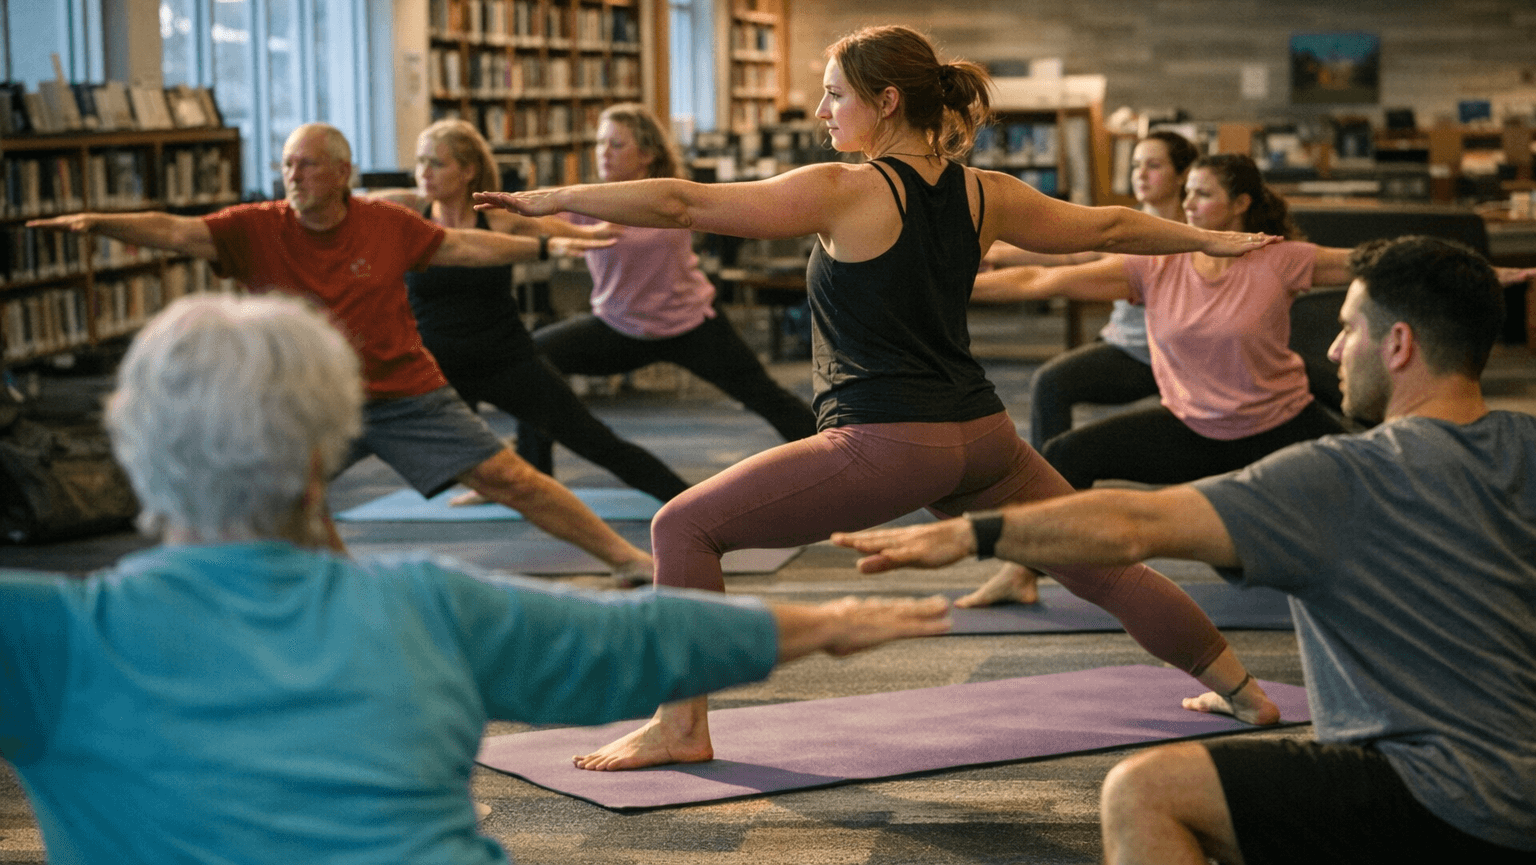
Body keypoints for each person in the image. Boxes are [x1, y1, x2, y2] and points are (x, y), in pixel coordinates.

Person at [476, 24, 1284, 772]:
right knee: (1105, 568)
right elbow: (1109, 227)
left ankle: (681, 725)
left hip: (889, 444)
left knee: (681, 526)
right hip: (983, 435)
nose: (823, 110)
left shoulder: (846, 190)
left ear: (886, 101)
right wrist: (1212, 239)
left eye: (835, 94)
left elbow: (685, 204)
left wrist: (554, 199)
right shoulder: (984, 192)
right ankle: (1245, 690)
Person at [0, 292, 951, 865]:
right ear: (321, 456)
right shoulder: (423, 608)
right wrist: (818, 624)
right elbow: (625, 644)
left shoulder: (52, 639)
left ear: (133, 448)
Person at [834, 236, 1536, 865]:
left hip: (1439, 802)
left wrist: (971, 532)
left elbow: (1134, 525)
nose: (1330, 349)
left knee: (1147, 792)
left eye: (1347, 329)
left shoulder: (1342, 475)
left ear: (1400, 345)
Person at [28, 123, 653, 585]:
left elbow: (465, 248)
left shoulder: (385, 223)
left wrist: (550, 249)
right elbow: (175, 230)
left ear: (342, 172)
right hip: (310, 404)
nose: (292, 176)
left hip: (407, 393)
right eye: (287, 165)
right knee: (269, 501)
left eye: (305, 165)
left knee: (509, 478)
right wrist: (99, 221)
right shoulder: (256, 227)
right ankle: (335, 593)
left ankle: (627, 559)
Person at [964, 153, 1356, 605]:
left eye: (1204, 194)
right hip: (1193, 429)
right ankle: (1021, 571)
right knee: (1069, 455)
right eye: (1187, 191)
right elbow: (1041, 281)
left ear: (1240, 204)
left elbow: (1364, 263)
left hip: (1278, 424)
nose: (1188, 204)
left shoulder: (1278, 258)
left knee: (1365, 485)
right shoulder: (1155, 265)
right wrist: (947, 284)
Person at [360, 118, 692, 504]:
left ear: (468, 170)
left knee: (595, 441)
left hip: (505, 359)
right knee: (363, 437)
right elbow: (346, 205)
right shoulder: (408, 214)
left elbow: (573, 232)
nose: (424, 173)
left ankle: (688, 500)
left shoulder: (498, 218)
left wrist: (594, 233)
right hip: (437, 369)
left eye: (436, 163)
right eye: (419, 162)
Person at [516, 103, 818, 478]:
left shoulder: (669, 197)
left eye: (616, 144)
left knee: (767, 397)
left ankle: (840, 462)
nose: (602, 152)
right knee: (529, 361)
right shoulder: (586, 201)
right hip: (619, 326)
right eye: (600, 143)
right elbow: (526, 219)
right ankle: (530, 474)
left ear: (647, 154)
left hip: (689, 324)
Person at [996, 130, 1199, 450]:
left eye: (1154, 166)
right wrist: (996, 253)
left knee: (1051, 383)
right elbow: (1070, 248)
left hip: (1162, 355)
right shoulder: (1130, 221)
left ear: (1182, 175)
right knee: (1052, 383)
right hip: (1124, 342)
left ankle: (1054, 477)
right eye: (1135, 166)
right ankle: (1052, 477)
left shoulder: (1197, 232)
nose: (1141, 175)